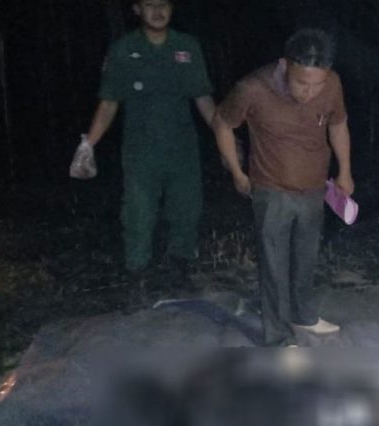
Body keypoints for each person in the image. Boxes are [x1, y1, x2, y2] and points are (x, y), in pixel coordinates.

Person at [212, 28, 354, 346]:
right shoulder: (252, 88)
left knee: (306, 256)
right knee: (274, 263)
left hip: (314, 187)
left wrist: (345, 170)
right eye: (302, 83)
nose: (310, 92)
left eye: (317, 84)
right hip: (271, 188)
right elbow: (221, 122)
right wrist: (236, 171)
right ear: (285, 65)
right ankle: (277, 336)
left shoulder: (332, 83)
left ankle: (303, 315)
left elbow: (338, 123)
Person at [70, 0, 216, 282]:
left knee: (186, 208)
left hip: (183, 147)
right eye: (150, 4)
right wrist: (88, 145)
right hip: (140, 150)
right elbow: (109, 102)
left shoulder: (187, 46)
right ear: (137, 9)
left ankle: (180, 266)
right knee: (138, 212)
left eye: (163, 4)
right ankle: (137, 272)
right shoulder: (123, 49)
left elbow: (203, 97)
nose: (158, 11)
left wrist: (225, 138)